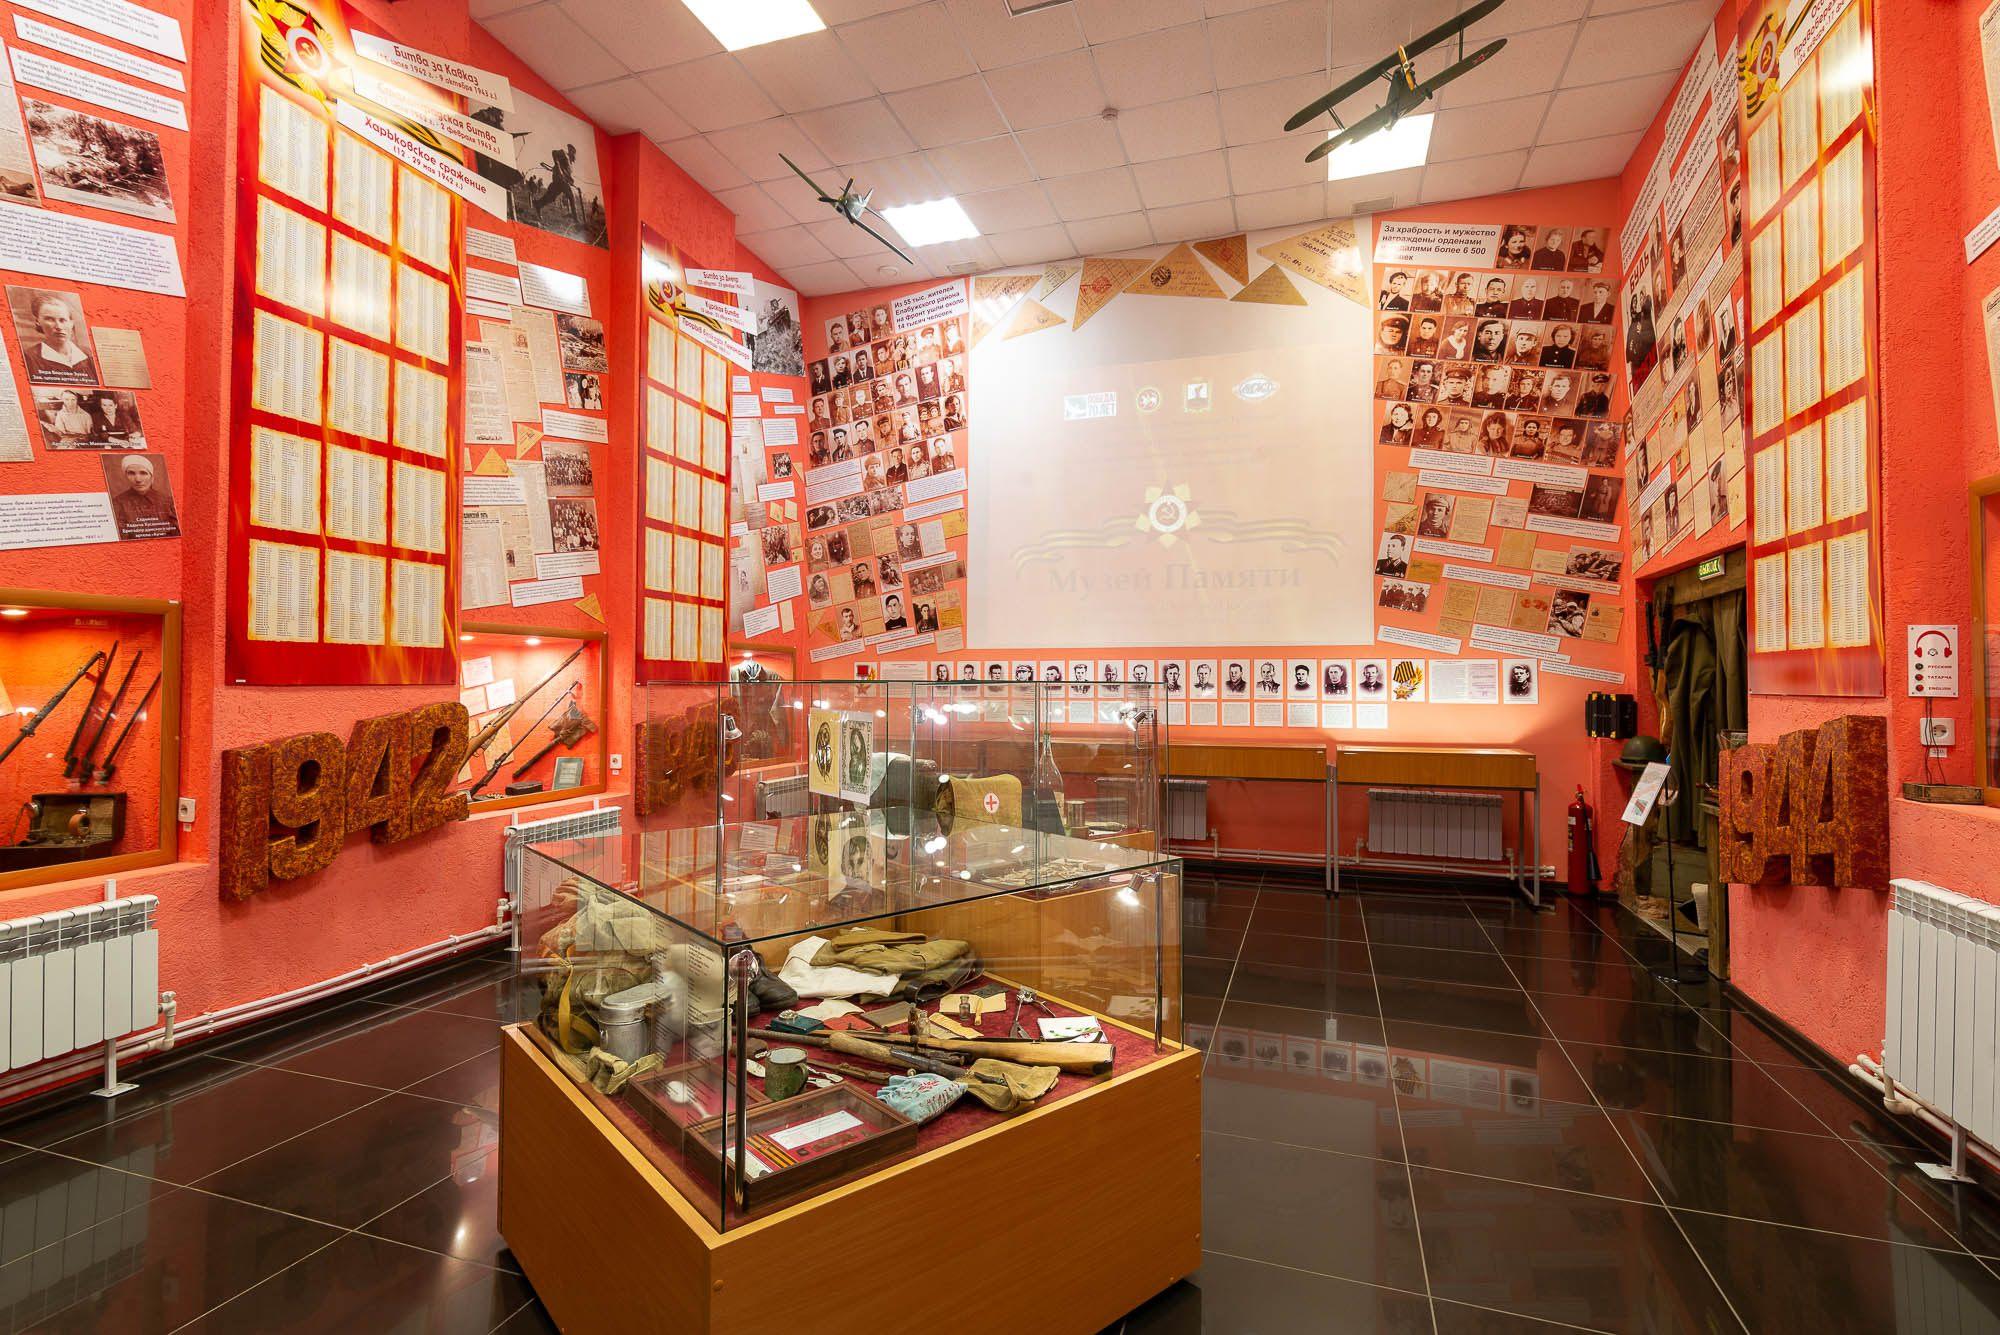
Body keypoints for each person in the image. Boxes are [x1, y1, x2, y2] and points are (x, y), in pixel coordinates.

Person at [21, 292, 96, 384]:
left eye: (62, 320)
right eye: (50, 319)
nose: (58, 326)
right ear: (38, 322)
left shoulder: (88, 354)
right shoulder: (29, 357)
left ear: (71, 323)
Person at [110, 455, 176, 536]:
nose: (138, 479)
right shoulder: (117, 503)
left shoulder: (168, 502)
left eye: (143, 473)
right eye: (131, 473)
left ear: (152, 477)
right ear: (126, 477)